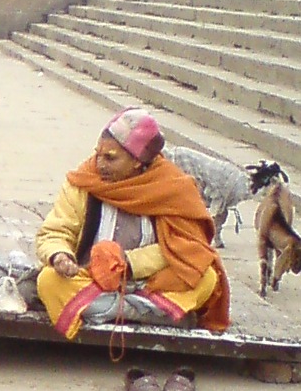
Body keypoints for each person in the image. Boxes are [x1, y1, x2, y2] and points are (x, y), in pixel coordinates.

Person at [34, 107, 229, 343]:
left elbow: (186, 248)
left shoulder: (173, 188)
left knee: (206, 277)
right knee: (48, 280)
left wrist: (128, 263)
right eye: (98, 154)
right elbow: (55, 231)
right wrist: (60, 256)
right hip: (90, 279)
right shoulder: (84, 181)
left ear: (137, 161)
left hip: (151, 284)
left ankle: (104, 311)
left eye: (111, 158)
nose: (99, 163)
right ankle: (150, 314)